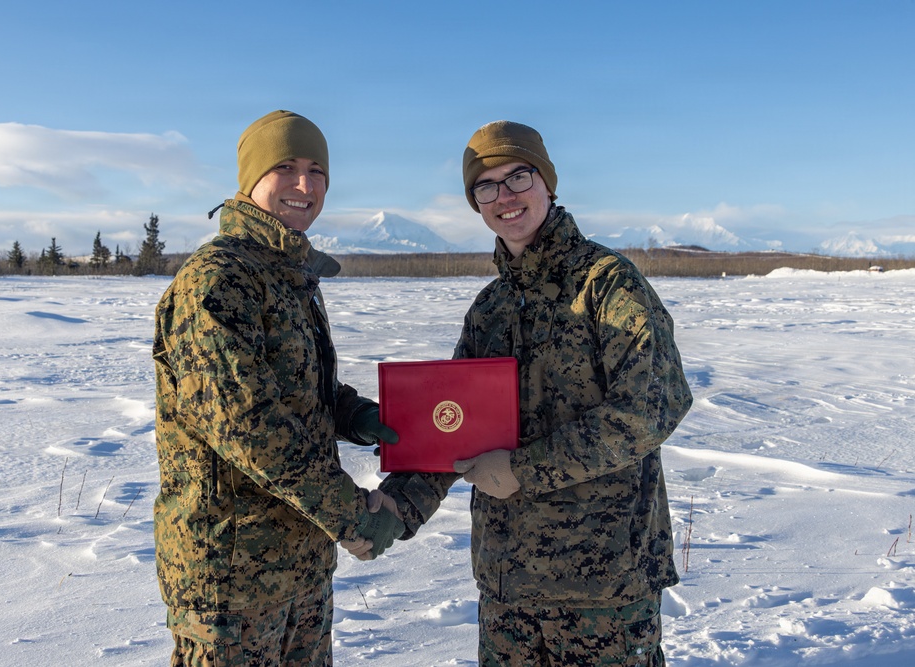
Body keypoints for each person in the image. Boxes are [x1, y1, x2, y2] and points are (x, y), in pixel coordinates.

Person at [375, 120, 693, 666]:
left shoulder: (608, 285)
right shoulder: (490, 308)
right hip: (507, 589)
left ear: (547, 182)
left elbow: (651, 407)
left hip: (604, 588)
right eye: (486, 185)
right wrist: (392, 511)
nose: (505, 196)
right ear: (476, 204)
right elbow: (451, 426)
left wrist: (527, 468)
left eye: (518, 176)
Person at [152, 109, 403, 667]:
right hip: (232, 576)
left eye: (317, 171)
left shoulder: (288, 275)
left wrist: (356, 414)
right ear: (251, 180)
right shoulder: (217, 282)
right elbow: (251, 430)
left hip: (300, 563)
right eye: (285, 167)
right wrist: (353, 516)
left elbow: (298, 389)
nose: (304, 185)